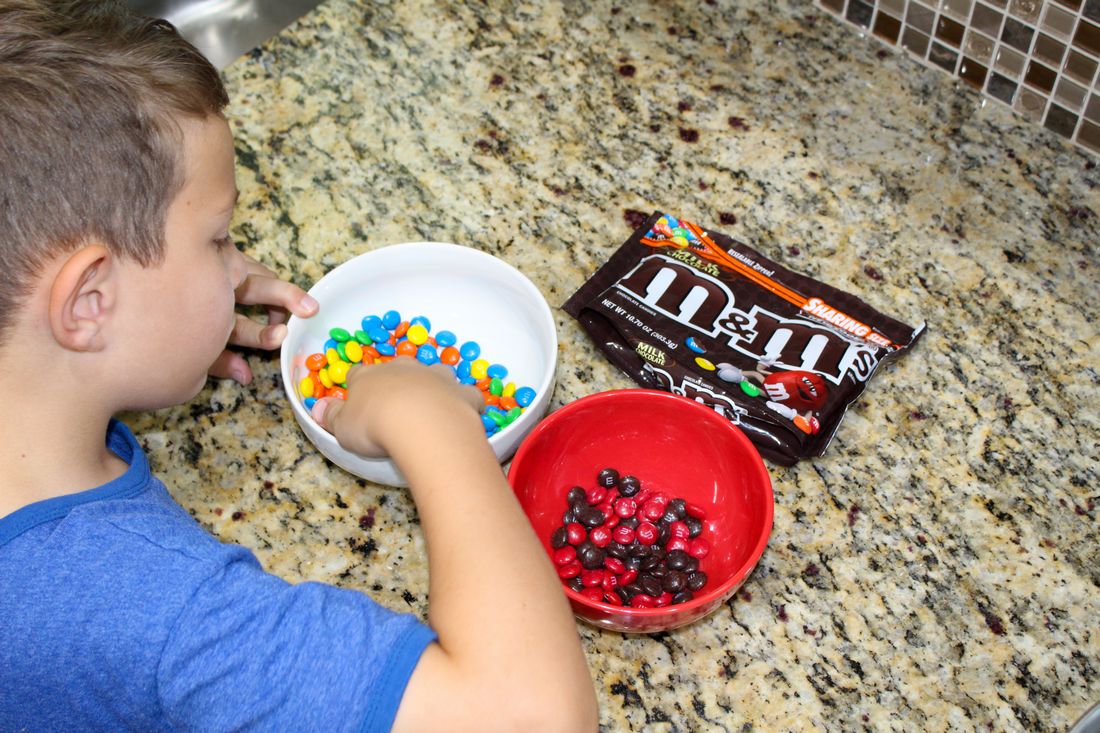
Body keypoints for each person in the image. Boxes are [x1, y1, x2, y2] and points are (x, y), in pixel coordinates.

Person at [0, 2, 598, 731]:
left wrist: (151, 324)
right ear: (88, 300)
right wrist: (433, 421)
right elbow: (533, 717)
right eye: (218, 239)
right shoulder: (155, 611)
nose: (233, 263)